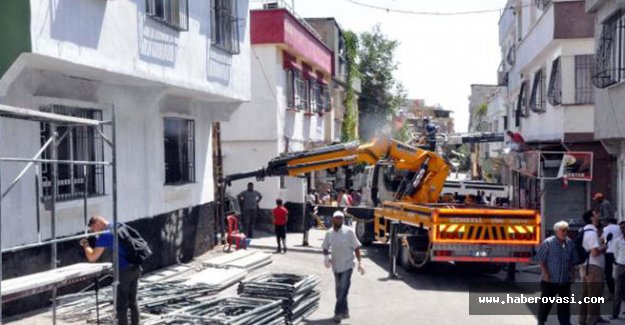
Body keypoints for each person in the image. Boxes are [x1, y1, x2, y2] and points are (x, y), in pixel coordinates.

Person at [80, 216, 144, 325]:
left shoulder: (106, 235)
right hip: (136, 266)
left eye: (93, 230)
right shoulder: (119, 224)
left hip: (124, 271)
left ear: (97, 224)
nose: (95, 233)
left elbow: (92, 257)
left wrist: (86, 245)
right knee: (133, 301)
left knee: (121, 304)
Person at [322, 211, 365, 323]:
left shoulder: (349, 232)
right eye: (337, 218)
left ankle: (338, 313)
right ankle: (345, 311)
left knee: (343, 288)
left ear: (343, 220)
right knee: (339, 290)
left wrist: (360, 262)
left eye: (341, 218)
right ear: (333, 219)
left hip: (348, 265)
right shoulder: (329, 233)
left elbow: (356, 247)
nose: (339, 220)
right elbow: (325, 247)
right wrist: (326, 257)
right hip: (336, 266)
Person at [533, 221, 576, 325]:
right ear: (556, 231)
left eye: (566, 230)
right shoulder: (548, 243)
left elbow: (572, 261)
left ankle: (565, 322)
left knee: (564, 304)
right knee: (546, 303)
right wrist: (546, 274)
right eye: (563, 230)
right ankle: (541, 321)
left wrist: (573, 275)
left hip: (564, 280)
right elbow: (541, 260)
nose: (565, 232)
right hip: (550, 280)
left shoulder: (570, 243)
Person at [579, 210, 607, 325]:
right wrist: (604, 247)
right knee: (594, 296)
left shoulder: (583, 231)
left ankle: (583, 319)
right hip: (594, 267)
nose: (598, 215)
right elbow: (594, 253)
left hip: (584, 266)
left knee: (587, 295)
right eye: (596, 214)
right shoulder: (591, 233)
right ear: (591, 218)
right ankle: (591, 320)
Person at [602, 218, 621, 298]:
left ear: (607, 222)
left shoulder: (605, 229)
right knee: (620, 271)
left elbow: (603, 240)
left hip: (608, 252)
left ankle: (612, 291)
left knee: (608, 273)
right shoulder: (619, 228)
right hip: (618, 252)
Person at [611, 221, 625, 319]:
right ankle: (615, 314)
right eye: (621, 228)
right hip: (620, 266)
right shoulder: (617, 241)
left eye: (624, 227)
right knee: (618, 291)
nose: (623, 229)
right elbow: (615, 254)